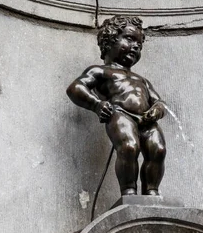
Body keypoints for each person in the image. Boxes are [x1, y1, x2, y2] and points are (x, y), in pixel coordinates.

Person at [66, 16, 167, 196]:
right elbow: (75, 87)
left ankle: (152, 191)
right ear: (110, 40)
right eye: (129, 39)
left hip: (146, 120)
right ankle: (129, 191)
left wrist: (157, 110)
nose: (135, 46)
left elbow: (158, 100)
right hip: (120, 114)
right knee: (129, 146)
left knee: (158, 150)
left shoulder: (141, 80)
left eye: (139, 44)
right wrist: (97, 105)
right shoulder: (100, 71)